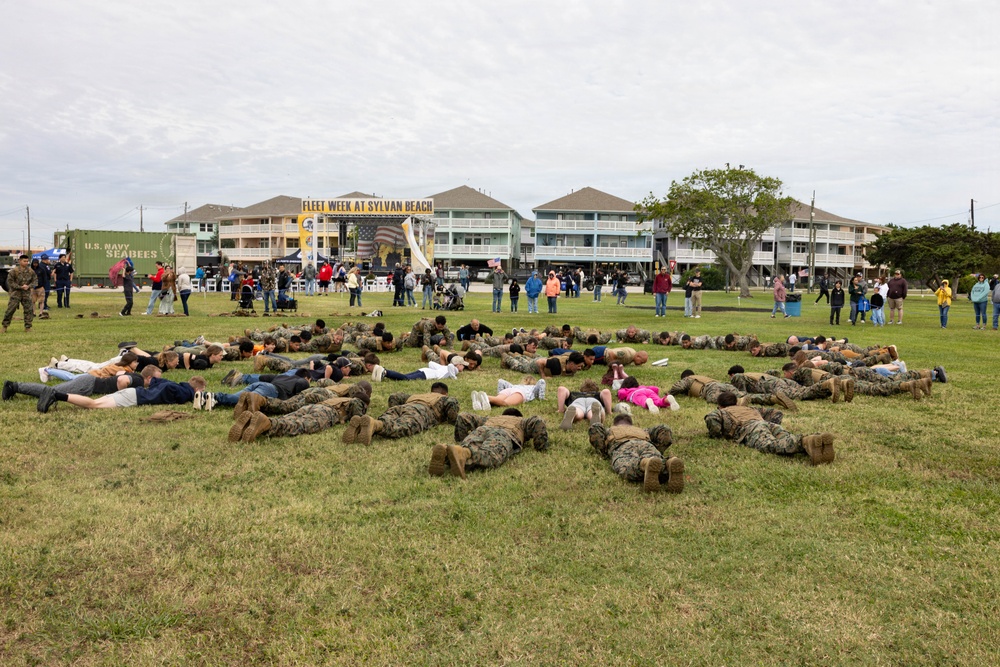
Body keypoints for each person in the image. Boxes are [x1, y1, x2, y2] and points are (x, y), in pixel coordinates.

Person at [704, 391, 835, 465]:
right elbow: (776, 413)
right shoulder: (749, 408)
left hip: (751, 428)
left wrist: (716, 435)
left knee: (770, 445)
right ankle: (814, 439)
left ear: (720, 405)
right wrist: (768, 426)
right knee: (786, 439)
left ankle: (804, 442)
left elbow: (711, 419)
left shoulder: (721, 412)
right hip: (768, 424)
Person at [428, 408, 548, 480]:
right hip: (504, 434)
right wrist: (540, 446)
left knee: (469, 448)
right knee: (491, 455)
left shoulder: (489, 418)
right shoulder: (522, 421)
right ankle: (463, 453)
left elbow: (463, 417)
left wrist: (460, 440)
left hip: (481, 430)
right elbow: (538, 421)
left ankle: (451, 451)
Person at [588, 414, 684, 493]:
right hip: (647, 445)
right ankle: (668, 463)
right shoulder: (643, 430)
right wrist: (660, 449)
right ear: (631, 424)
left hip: (623, 446)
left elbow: (595, 429)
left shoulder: (610, 430)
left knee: (626, 466)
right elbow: (664, 429)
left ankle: (644, 464)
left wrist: (603, 451)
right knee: (657, 462)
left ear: (615, 424)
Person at [343, 383, 461, 446]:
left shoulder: (417, 395)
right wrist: (452, 420)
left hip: (401, 407)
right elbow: (452, 403)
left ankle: (363, 426)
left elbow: (394, 396)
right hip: (421, 411)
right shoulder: (443, 398)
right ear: (445, 393)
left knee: (386, 419)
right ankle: (375, 425)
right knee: (403, 427)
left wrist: (393, 408)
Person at [38, 376, 207, 413]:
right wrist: (194, 396)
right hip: (133, 397)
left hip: (132, 392)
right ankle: (56, 395)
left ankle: (56, 394)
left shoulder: (175, 384)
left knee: (94, 402)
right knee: (93, 405)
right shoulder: (182, 391)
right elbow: (171, 392)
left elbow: (156, 381)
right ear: (198, 389)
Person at [2, 255, 36, 333]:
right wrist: (20, 287)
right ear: (20, 261)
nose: (26, 263)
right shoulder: (14, 271)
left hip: (26, 294)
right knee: (10, 310)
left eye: (27, 261)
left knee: (28, 310)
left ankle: (28, 327)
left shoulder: (31, 271)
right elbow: (10, 282)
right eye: (24, 261)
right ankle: (4, 326)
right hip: (15, 293)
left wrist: (28, 286)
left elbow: (35, 281)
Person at [471, 377, 546, 412]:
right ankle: (488, 398)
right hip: (520, 393)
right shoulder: (533, 387)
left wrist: (499, 393)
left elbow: (501, 381)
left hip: (508, 390)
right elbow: (542, 381)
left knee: (498, 400)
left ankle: (483, 399)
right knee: (505, 403)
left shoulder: (515, 385)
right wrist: (541, 398)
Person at [371, 357, 467, 382]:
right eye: (463, 365)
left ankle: (380, 370)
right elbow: (451, 366)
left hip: (424, 370)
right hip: (428, 375)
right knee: (405, 378)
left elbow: (431, 363)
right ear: (458, 365)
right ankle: (385, 372)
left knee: (404, 376)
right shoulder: (454, 369)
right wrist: (454, 377)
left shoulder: (443, 367)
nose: (463, 367)